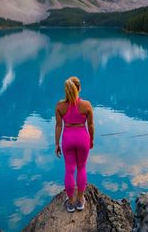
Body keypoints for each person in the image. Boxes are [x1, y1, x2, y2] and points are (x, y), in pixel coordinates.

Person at [55, 76, 94, 213]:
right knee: (81, 167)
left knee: (69, 169)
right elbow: (90, 125)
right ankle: (80, 200)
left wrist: (56, 144)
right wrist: (91, 139)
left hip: (68, 139)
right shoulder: (87, 105)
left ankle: (70, 203)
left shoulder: (60, 106)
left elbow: (58, 126)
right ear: (79, 88)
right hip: (82, 138)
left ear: (66, 90)